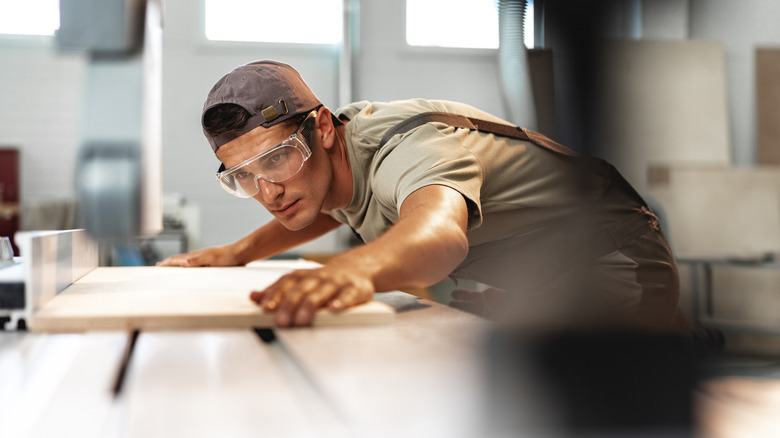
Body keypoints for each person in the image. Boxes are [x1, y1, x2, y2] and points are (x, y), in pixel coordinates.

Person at [158, 60, 686, 332]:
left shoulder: (409, 147)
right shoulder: (326, 164)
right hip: (534, 268)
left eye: (275, 158)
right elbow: (322, 206)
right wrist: (239, 253)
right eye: (243, 176)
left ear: (322, 127)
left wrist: (352, 271)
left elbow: (439, 236)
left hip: (613, 261)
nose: (268, 191)